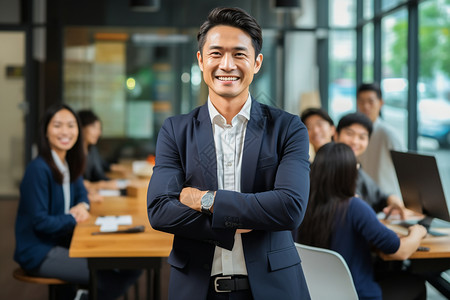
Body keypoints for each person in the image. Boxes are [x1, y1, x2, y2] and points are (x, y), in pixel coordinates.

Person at [147, 7, 311, 300]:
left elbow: (290, 208)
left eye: (238, 54)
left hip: (274, 288)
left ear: (257, 62)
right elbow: (160, 210)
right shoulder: (176, 130)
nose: (227, 64)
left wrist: (204, 199)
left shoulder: (288, 128)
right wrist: (237, 221)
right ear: (200, 60)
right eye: (216, 53)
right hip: (196, 287)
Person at [14, 104, 139, 299]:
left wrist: (82, 205)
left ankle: (78, 295)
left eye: (71, 125)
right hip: (40, 251)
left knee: (133, 265)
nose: (65, 131)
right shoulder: (38, 169)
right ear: (45, 131)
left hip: (65, 242)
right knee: (106, 277)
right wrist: (73, 217)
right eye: (57, 125)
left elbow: (82, 194)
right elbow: (40, 222)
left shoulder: (69, 164)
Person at [296, 142, 427, 300]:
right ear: (350, 174)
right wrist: (417, 232)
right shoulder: (353, 207)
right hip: (357, 295)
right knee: (416, 283)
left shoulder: (300, 205)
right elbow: (402, 251)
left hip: (314, 293)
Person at [334, 112, 405, 215]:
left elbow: (379, 196)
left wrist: (393, 200)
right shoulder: (329, 165)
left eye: (362, 137)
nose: (355, 141)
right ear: (336, 135)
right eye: (349, 134)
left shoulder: (356, 167)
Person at [356, 82, 404, 197]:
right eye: (361, 102)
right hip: (362, 198)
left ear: (381, 103)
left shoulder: (388, 134)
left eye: (371, 101)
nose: (366, 106)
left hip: (386, 201)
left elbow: (404, 169)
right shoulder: (355, 135)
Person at [78, 110, 130, 196]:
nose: (98, 133)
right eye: (94, 127)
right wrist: (101, 185)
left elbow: (103, 165)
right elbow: (75, 183)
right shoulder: (73, 153)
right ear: (81, 127)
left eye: (99, 129)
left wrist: (118, 168)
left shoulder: (91, 149)